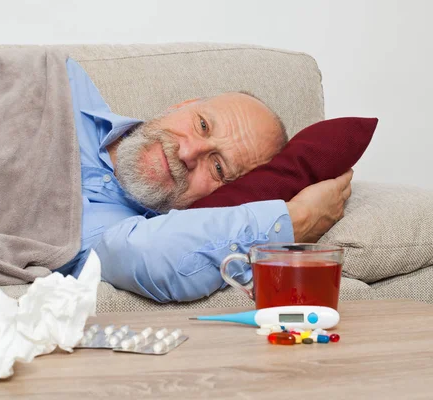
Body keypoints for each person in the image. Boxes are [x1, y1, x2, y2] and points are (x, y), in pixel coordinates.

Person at [56, 59, 352, 302]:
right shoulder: (63, 79)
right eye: (202, 125)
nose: (188, 152)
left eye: (218, 168)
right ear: (181, 105)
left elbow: (147, 255)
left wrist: (296, 220)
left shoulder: (123, 236)